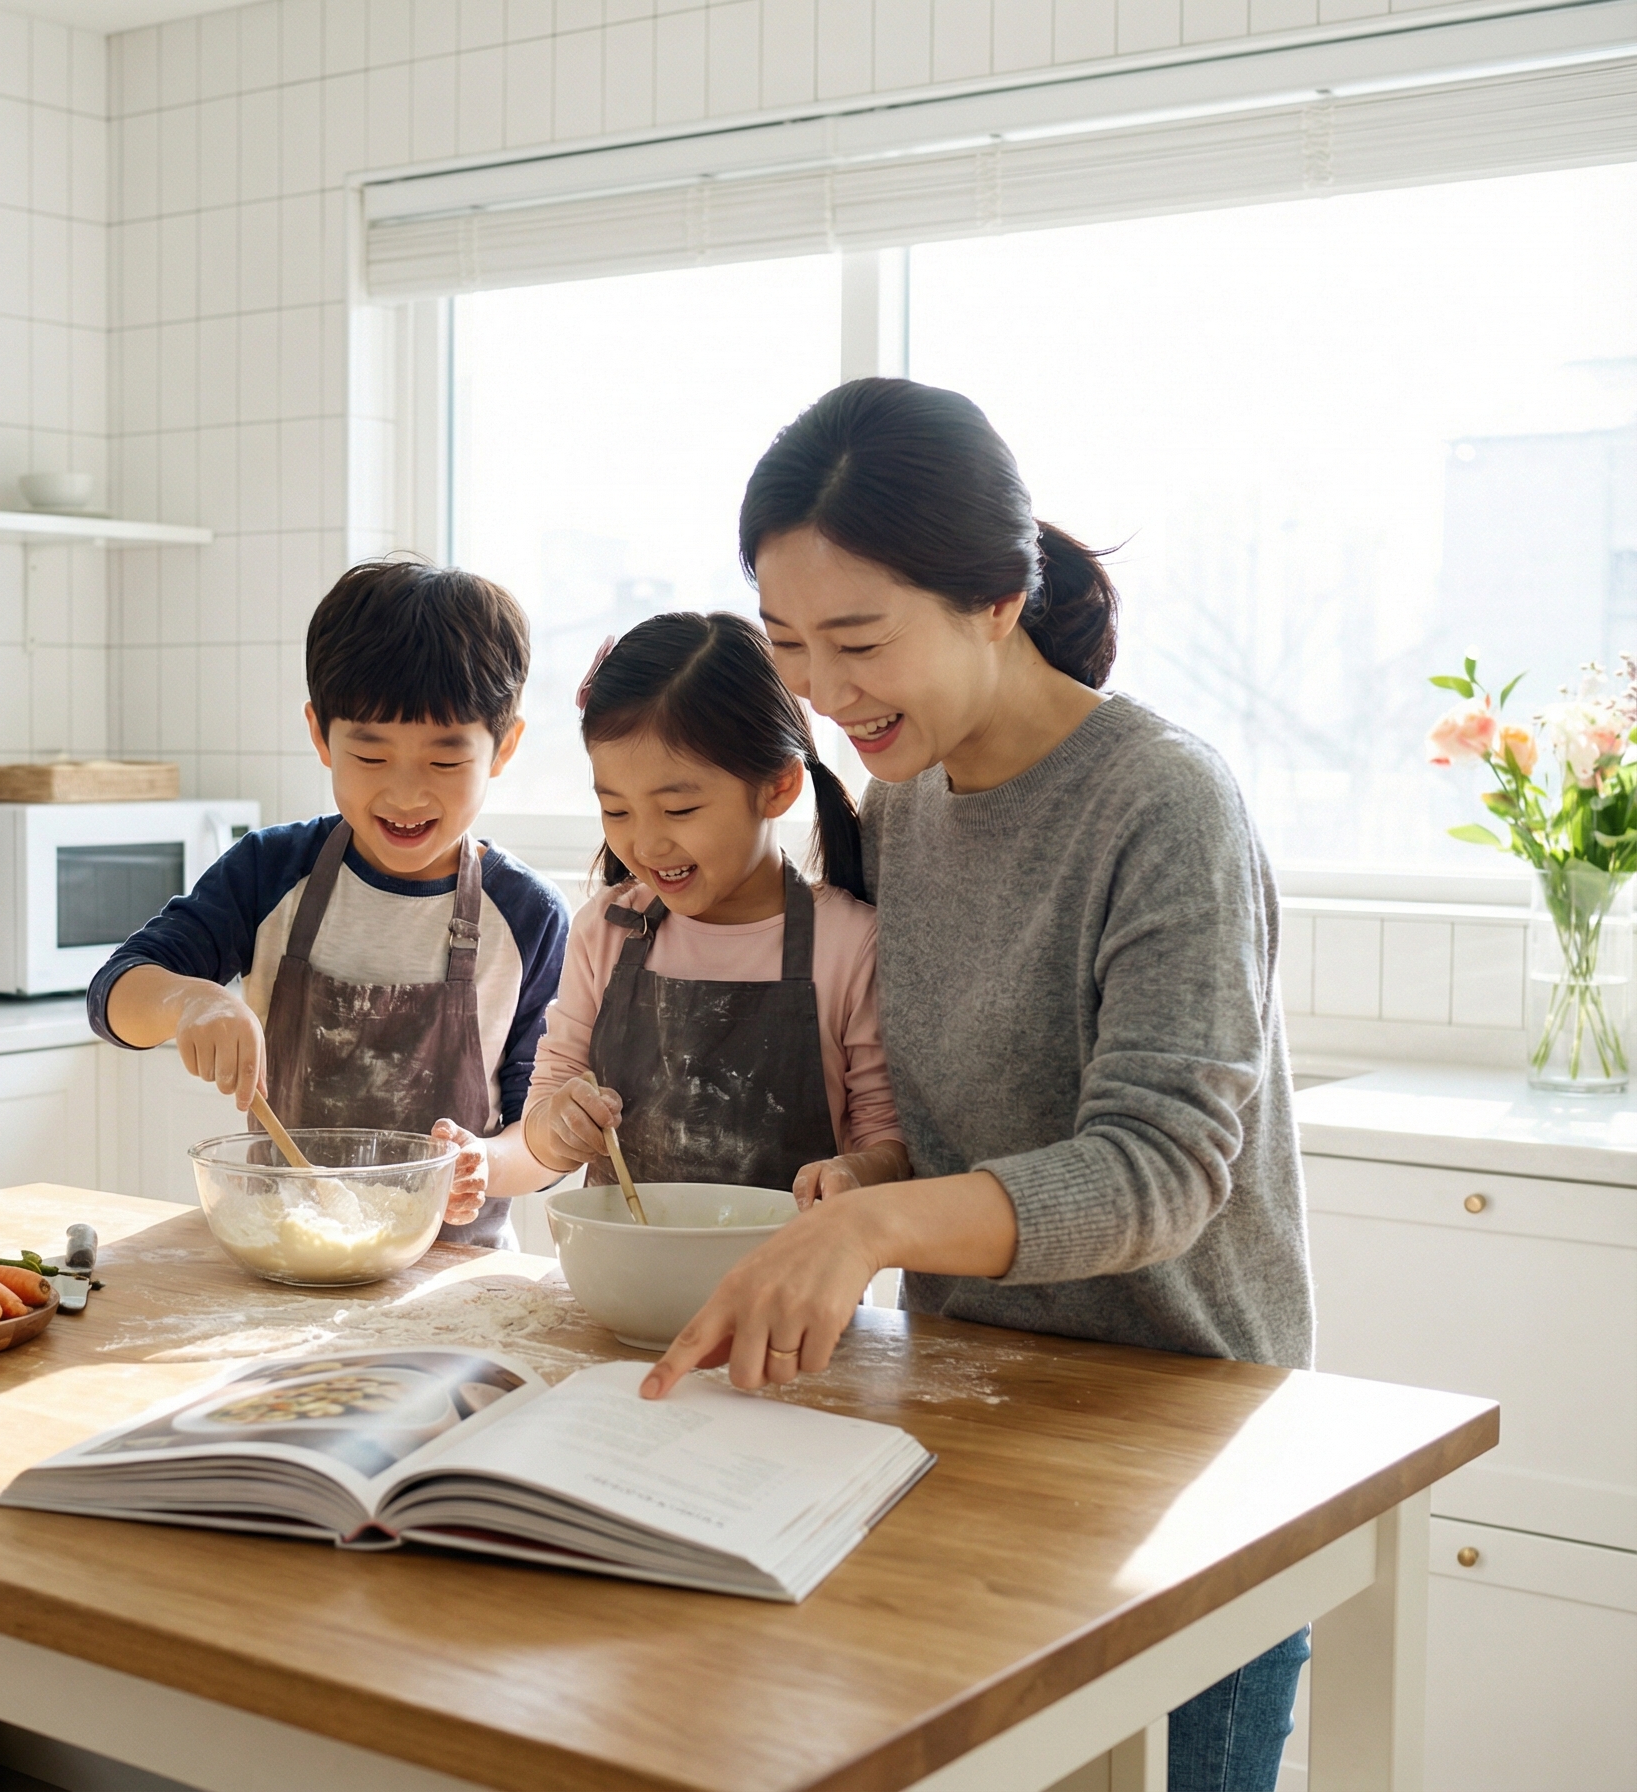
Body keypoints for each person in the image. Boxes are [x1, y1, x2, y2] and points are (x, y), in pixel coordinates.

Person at [644, 378, 1312, 1792]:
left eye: (861, 642)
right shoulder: (900, 806)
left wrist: (877, 1230)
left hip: (1188, 1440)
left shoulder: (1163, 802)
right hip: (974, 1414)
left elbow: (1161, 1167)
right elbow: (949, 1121)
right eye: (789, 647)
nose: (824, 695)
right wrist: (871, 1180)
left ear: (996, 600)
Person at [88, 558, 571, 1245]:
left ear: (504, 747)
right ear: (321, 735)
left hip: (452, 1281)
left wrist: (486, 1163)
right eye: (371, 757)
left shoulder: (527, 916)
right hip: (282, 1257)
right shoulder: (268, 872)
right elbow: (113, 996)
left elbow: (545, 1134)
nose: (405, 794)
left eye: (443, 760)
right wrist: (186, 1001)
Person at [513, 612, 910, 1203]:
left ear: (778, 786)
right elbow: (544, 1117)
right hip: (623, 1285)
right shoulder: (607, 930)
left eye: (679, 811)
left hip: (790, 1287)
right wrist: (557, 1126)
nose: (646, 845)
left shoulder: (850, 945)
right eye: (617, 811)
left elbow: (891, 1145)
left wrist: (854, 1175)